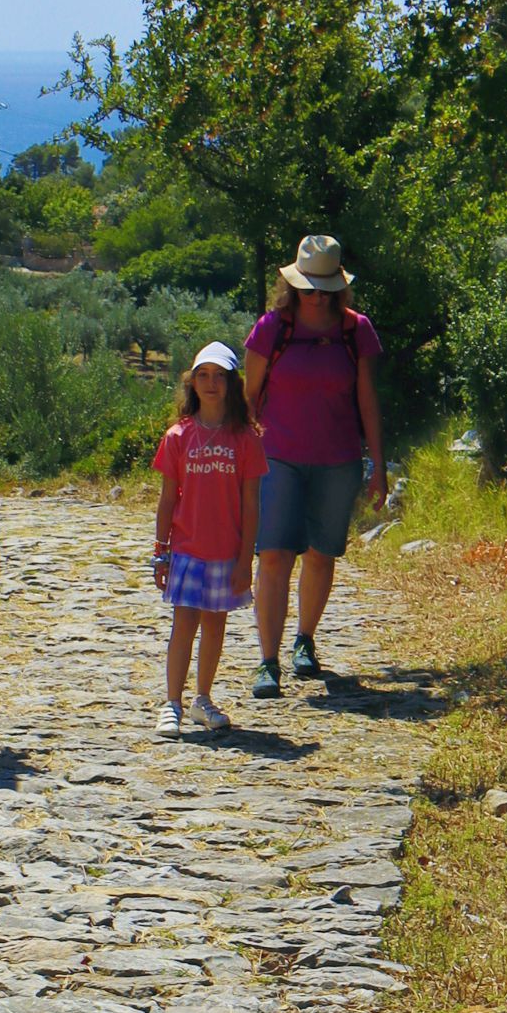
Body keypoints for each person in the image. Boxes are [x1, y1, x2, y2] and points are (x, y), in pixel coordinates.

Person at [242, 235, 385, 698]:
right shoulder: (272, 329)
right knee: (274, 554)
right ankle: (268, 660)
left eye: (324, 287)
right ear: (293, 286)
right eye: (308, 287)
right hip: (276, 456)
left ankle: (305, 640)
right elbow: (249, 398)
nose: (316, 296)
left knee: (322, 554)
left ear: (338, 287)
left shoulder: (354, 329)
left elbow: (367, 399)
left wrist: (378, 465)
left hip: (338, 458)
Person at [150, 341, 266, 736]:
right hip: (186, 549)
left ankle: (202, 699)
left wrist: (245, 559)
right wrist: (160, 551)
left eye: (219, 376)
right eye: (203, 375)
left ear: (232, 384)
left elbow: (251, 505)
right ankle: (172, 703)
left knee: (215, 625)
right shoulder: (178, 436)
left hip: (226, 552)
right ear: (192, 382)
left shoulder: (246, 439)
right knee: (184, 623)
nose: (211, 383)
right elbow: (168, 499)